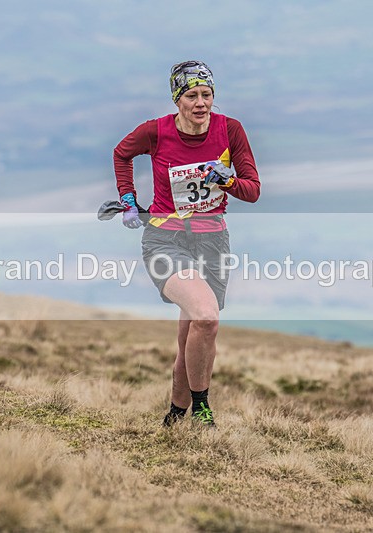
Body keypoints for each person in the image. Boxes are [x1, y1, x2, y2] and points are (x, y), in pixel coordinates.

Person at [113, 60, 260, 427]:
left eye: (206, 94)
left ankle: (176, 414)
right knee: (207, 318)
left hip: (212, 241)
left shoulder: (231, 131)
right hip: (165, 238)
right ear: (177, 99)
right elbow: (121, 153)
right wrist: (129, 200)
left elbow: (253, 191)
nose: (200, 103)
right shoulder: (156, 132)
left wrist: (226, 181)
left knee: (190, 339)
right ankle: (203, 409)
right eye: (191, 95)